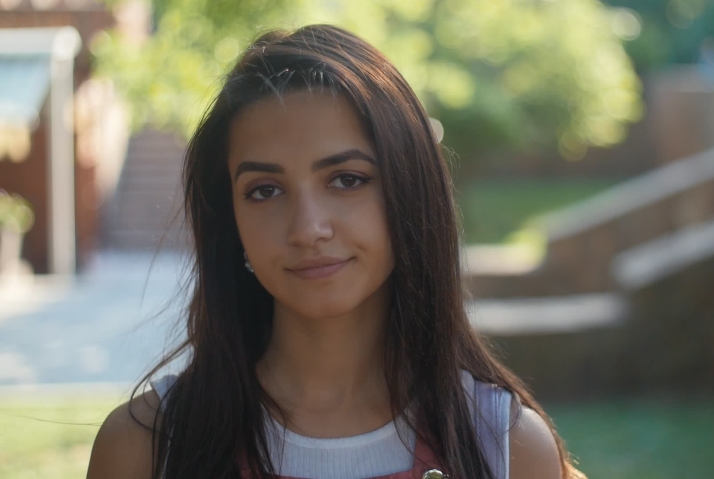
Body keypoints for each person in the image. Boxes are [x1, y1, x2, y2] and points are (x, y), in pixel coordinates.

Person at [87, 24, 583, 479]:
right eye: (264, 190)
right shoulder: (147, 447)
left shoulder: (505, 448)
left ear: (410, 191)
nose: (308, 228)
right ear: (229, 221)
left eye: (347, 180)